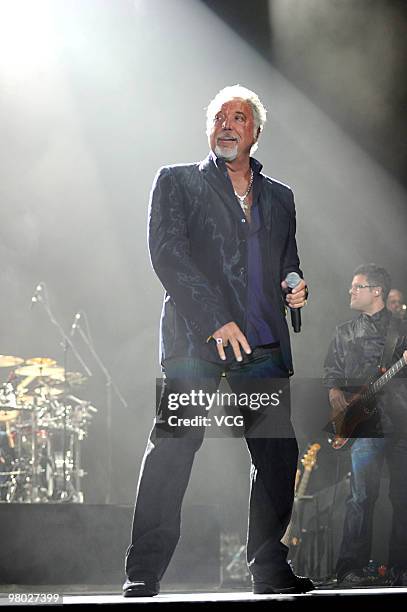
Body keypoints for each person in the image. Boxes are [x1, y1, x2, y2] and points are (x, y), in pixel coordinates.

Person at [123, 85, 312, 597]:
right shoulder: (178, 183)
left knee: (277, 453)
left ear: (255, 132)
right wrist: (214, 319)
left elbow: (285, 260)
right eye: (219, 117)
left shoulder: (280, 197)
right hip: (194, 341)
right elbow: (168, 257)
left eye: (239, 117)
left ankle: (268, 567)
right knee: (173, 446)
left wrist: (294, 283)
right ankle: (143, 569)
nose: (227, 125)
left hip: (261, 344)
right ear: (209, 129)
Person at [324, 264, 407, 587]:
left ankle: (401, 566)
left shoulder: (401, 330)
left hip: (401, 421)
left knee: (402, 496)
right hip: (364, 423)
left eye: (357, 286)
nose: (351, 291)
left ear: (377, 292)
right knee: (360, 497)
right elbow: (332, 370)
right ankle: (350, 568)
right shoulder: (344, 332)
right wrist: (334, 394)